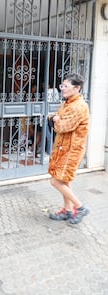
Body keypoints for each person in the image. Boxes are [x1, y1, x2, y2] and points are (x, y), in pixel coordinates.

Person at [48, 73, 90, 224]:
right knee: (64, 181)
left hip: (71, 150)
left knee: (55, 181)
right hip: (63, 147)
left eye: (65, 86)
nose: (62, 89)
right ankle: (67, 210)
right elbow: (55, 117)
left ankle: (80, 207)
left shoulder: (79, 106)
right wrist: (54, 118)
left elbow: (63, 126)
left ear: (77, 88)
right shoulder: (68, 103)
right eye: (62, 86)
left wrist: (55, 119)